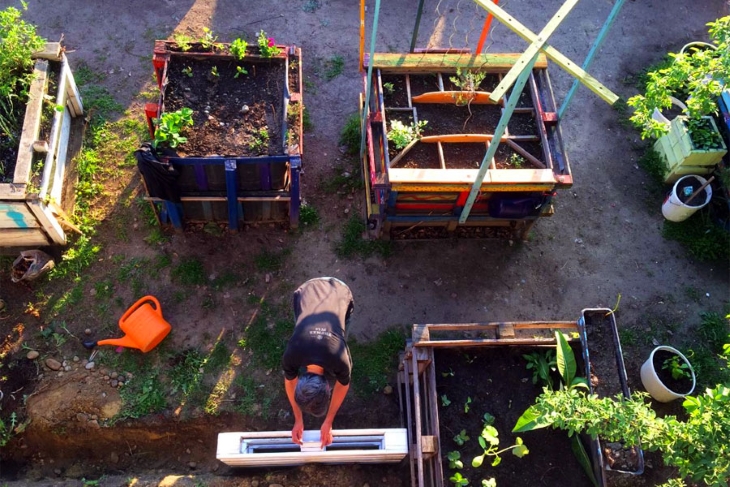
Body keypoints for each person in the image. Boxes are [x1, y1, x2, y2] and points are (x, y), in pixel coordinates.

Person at [282, 277, 354, 448]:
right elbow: (289, 382)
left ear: (328, 387)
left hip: (339, 290)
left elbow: (343, 385)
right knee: (307, 322)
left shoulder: (340, 359)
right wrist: (298, 419)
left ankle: (337, 328)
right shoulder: (291, 355)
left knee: (341, 331)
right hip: (306, 290)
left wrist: (328, 421)